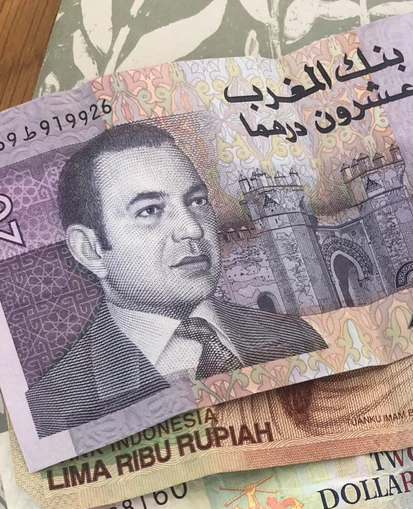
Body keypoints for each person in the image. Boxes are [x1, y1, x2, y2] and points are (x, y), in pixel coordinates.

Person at [26, 123, 326, 436]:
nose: (192, 229)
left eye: (197, 201)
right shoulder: (54, 410)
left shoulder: (296, 336)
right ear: (90, 250)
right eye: (149, 210)